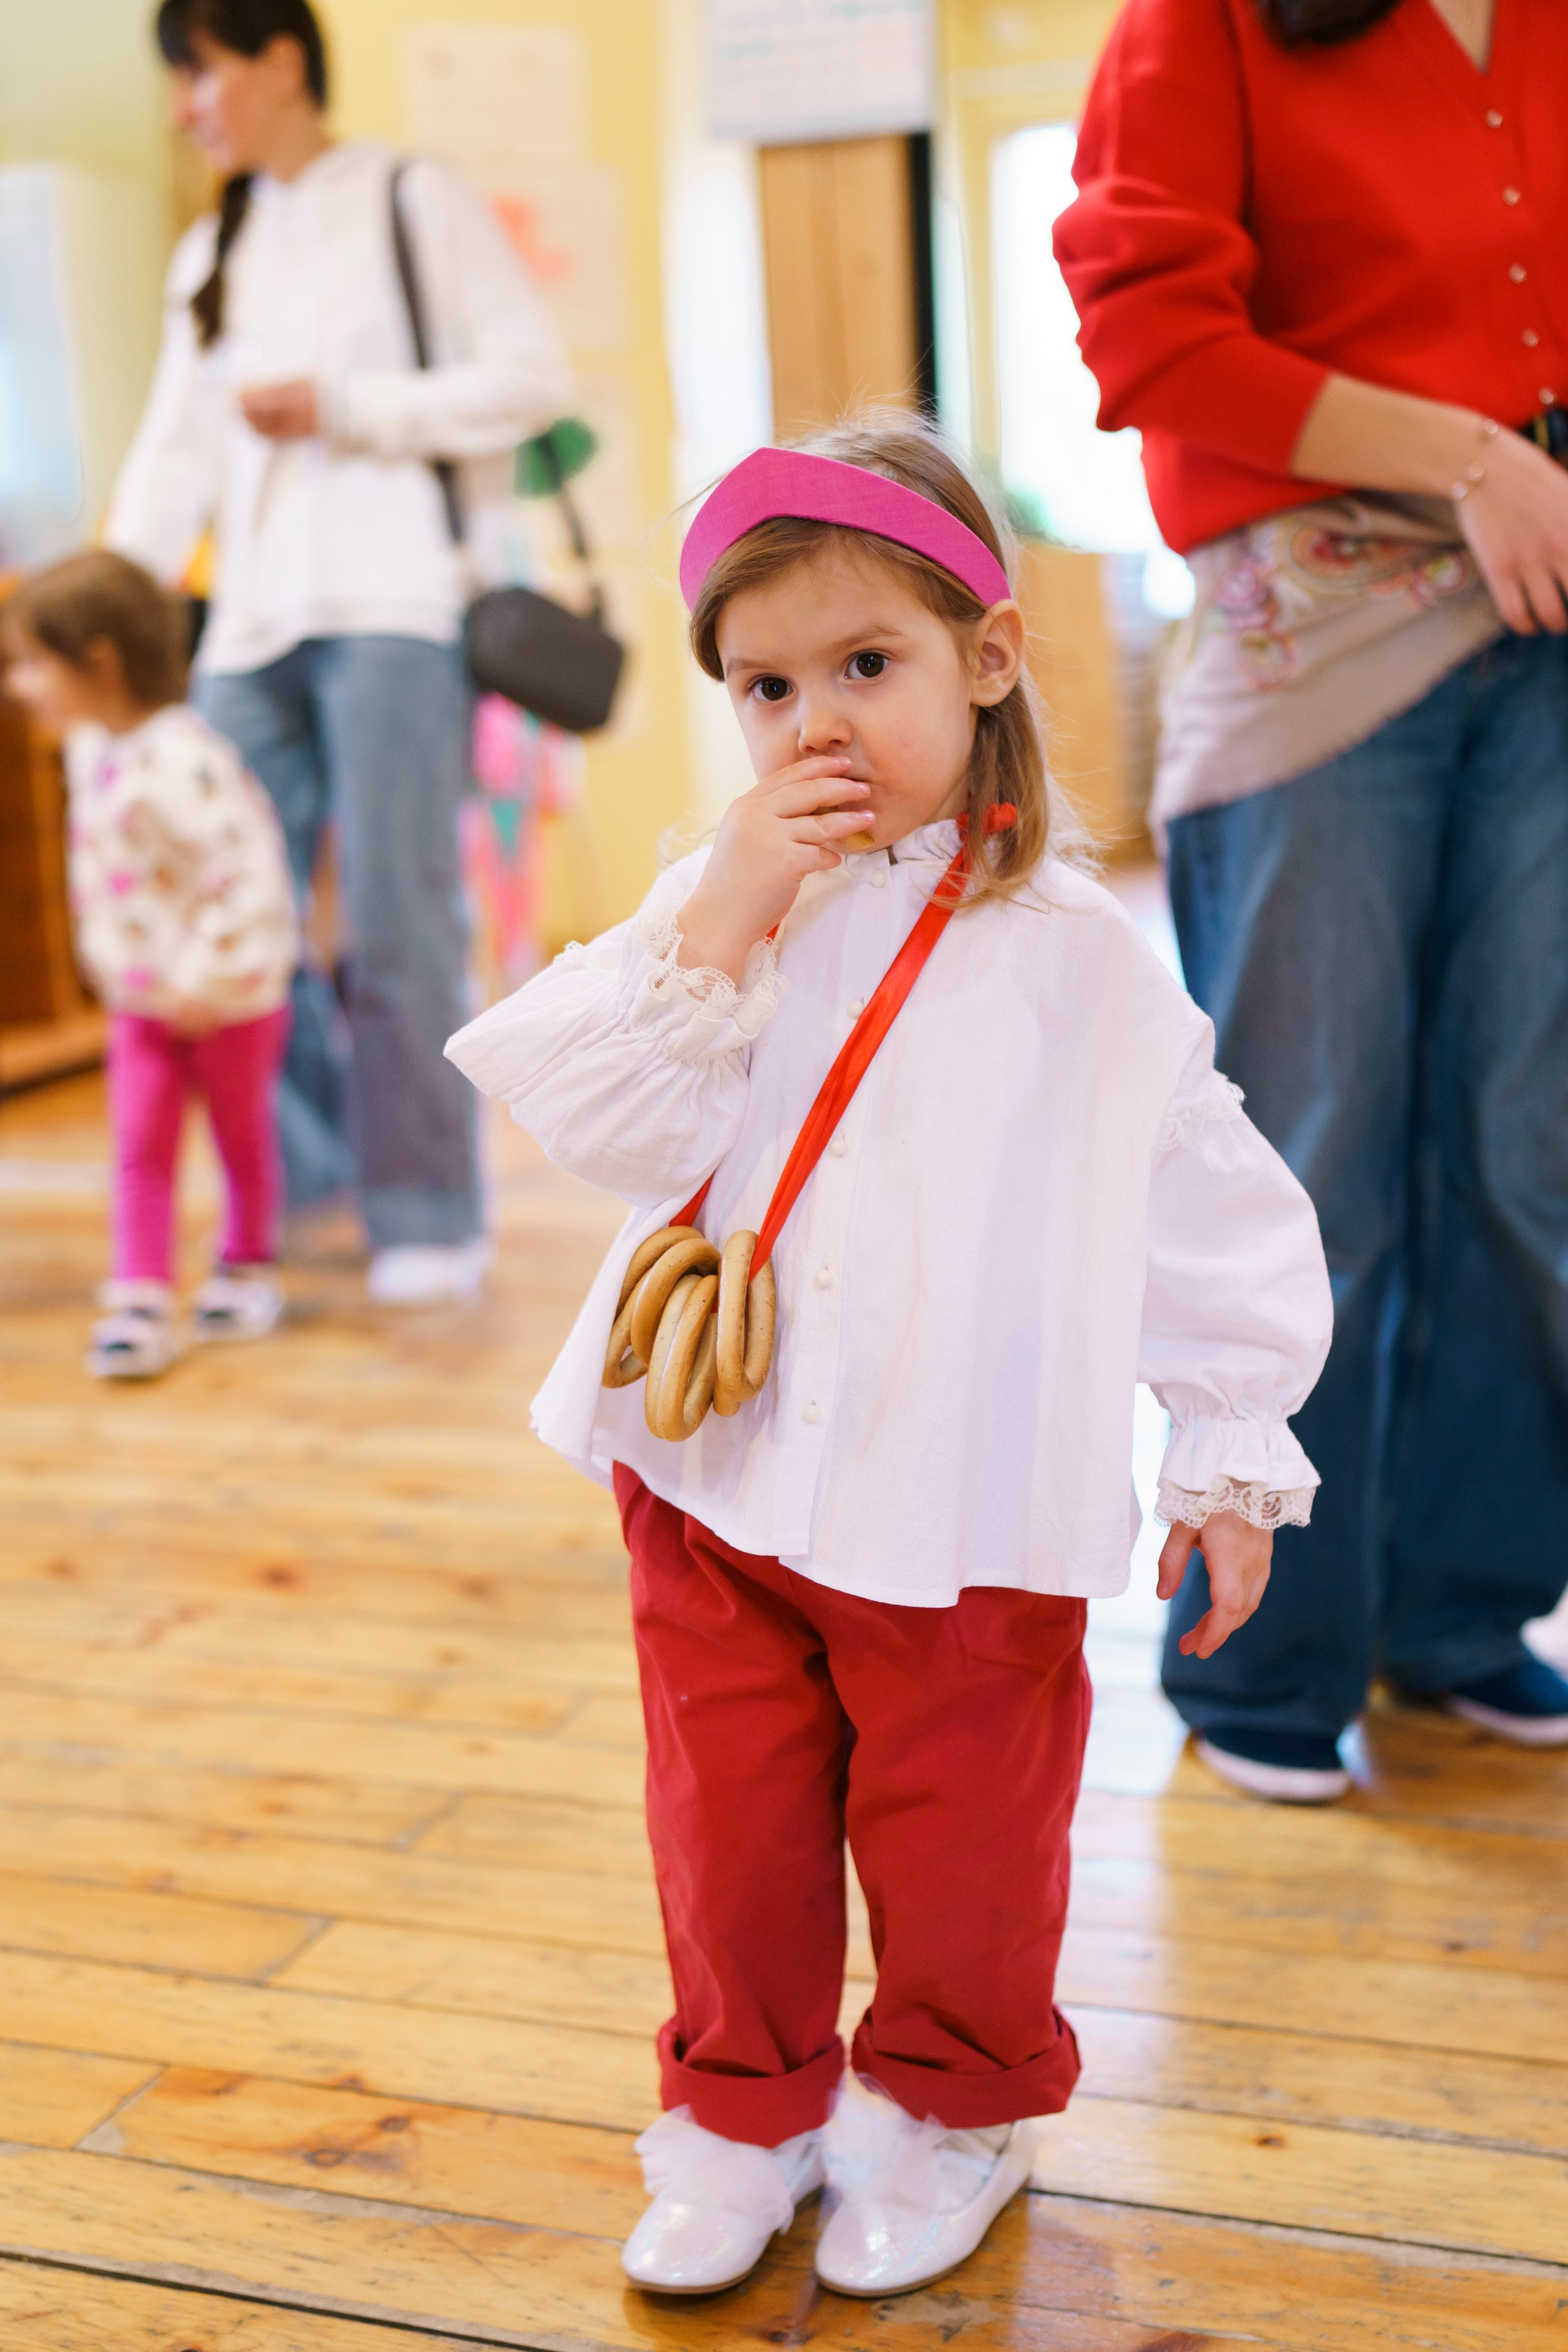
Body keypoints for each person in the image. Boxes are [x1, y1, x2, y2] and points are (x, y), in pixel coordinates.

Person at [445, 420, 1332, 2298]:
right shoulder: (722, 902)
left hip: (968, 1499)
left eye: (869, 665)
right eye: (769, 685)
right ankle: (740, 2121)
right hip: (718, 1465)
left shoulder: (1080, 959)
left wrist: (1229, 1434)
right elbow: (598, 1123)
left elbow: (1204, 1197)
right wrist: (719, 910)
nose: (816, 724)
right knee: (729, 1824)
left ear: (987, 661)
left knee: (967, 1845)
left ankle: (948, 2113)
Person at [1054, 0, 1568, 1800]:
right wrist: (1476, 454)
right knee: (1308, 1172)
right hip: (1320, 639)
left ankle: (1459, 1613)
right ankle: (1264, 1663)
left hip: (1553, 634)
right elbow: (1150, 335)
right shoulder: (1209, 22)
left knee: (1531, 1160)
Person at [108, 0, 571, 1305]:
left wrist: (345, 407)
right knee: (221, 910)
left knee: (398, 915)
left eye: (197, 74)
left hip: (395, 606)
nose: (186, 106)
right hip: (244, 631)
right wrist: (111, 613)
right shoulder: (212, 246)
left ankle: (425, 1207)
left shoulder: (415, 198)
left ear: (277, 60)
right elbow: (172, 453)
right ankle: (311, 1176)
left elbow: (528, 380)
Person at [3, 552, 296, 1378]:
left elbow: (247, 874)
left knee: (242, 1139)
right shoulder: (94, 750)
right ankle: (139, 1291)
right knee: (138, 1145)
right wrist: (125, 975)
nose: (19, 686)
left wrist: (203, 978)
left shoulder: (182, 759)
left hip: (228, 1001)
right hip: (144, 1007)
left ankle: (245, 1264)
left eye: (32, 664)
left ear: (98, 661)